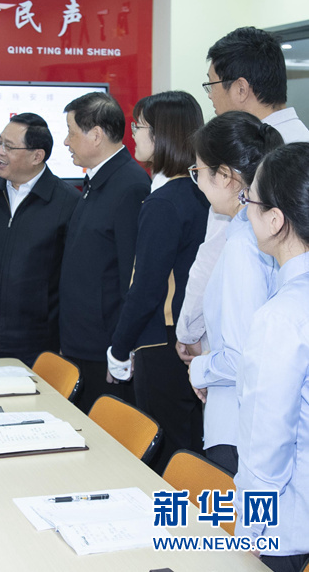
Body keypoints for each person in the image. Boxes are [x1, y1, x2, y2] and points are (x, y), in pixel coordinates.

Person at [177, 26, 309, 365]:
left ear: (240, 88)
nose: (209, 96)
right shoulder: (303, 147)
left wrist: (189, 331)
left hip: (237, 350)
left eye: (211, 84)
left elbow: (213, 253)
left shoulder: (235, 160)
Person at [107, 91, 208, 471]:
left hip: (161, 341)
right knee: (190, 449)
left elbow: (146, 287)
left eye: (139, 126)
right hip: (190, 339)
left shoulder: (164, 202)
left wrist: (119, 349)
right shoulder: (200, 192)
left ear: (164, 133)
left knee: (165, 455)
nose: (133, 133)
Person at [187, 112, 283, 474]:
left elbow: (242, 356)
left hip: (237, 427)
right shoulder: (258, 232)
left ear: (225, 176)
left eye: (198, 171)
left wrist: (200, 368)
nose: (197, 182)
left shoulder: (245, 244)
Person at [0, 113, 79, 367]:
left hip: (41, 344)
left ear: (37, 156)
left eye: (9, 146)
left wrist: (67, 337)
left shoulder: (68, 203)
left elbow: (74, 281)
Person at [236, 143, 309, 572]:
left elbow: (266, 449)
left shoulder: (281, 318)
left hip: (288, 533)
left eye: (249, 200)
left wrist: (250, 533)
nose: (245, 210)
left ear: (276, 220)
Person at [58, 92, 151, 413]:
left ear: (96, 135)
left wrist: (121, 350)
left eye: (71, 132)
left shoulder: (130, 186)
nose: (66, 142)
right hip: (80, 342)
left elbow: (132, 278)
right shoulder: (97, 181)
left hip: (105, 350)